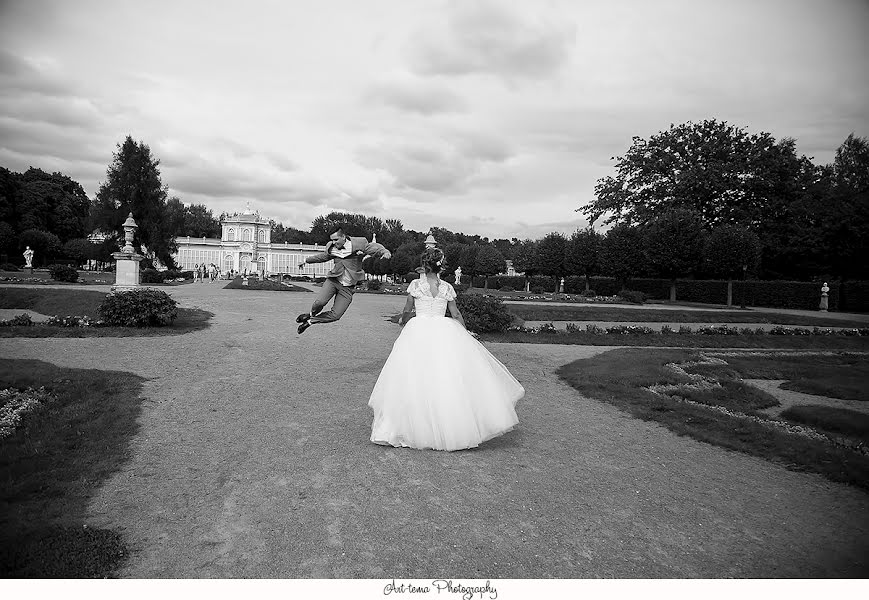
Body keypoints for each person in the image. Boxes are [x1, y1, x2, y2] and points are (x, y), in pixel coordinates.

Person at [368, 247, 524, 451]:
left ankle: (409, 425)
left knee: (412, 376)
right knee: (445, 376)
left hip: (418, 331)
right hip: (443, 330)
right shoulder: (448, 287)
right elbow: (456, 313)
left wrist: (403, 321)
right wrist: (465, 334)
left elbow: (407, 310)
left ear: (424, 265)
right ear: (441, 265)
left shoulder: (416, 285)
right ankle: (449, 427)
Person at [295, 224, 391, 334]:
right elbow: (323, 257)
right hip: (333, 281)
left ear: (343, 237)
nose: (334, 242)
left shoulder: (359, 243)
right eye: (332, 240)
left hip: (348, 288)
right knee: (320, 302)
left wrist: (385, 252)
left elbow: (374, 247)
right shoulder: (331, 247)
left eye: (336, 239)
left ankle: (310, 321)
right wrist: (306, 261)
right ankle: (311, 314)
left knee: (336, 315)